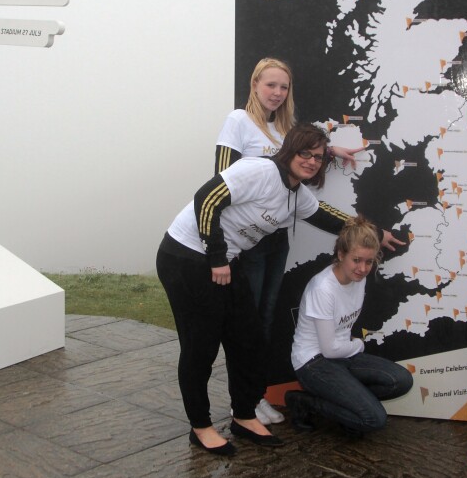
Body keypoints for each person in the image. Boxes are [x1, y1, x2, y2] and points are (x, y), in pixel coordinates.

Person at [157, 123, 392, 456]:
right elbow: (206, 199)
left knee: (249, 340)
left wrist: (375, 232)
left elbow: (328, 217)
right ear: (289, 151)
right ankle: (201, 427)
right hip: (186, 257)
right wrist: (216, 256)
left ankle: (243, 414)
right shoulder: (260, 170)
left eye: (317, 157)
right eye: (304, 153)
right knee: (201, 347)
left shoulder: (297, 194)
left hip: (224, 261)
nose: (310, 162)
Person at [214, 57, 398, 425]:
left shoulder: (281, 131)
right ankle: (242, 404)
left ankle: (254, 396)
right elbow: (221, 183)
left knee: (265, 322)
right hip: (246, 244)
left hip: (275, 240)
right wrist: (219, 250)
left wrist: (332, 153)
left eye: (284, 87)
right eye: (271, 85)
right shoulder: (238, 121)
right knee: (247, 326)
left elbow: (297, 163)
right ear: (254, 84)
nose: (277, 93)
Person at [285, 217, 413, 436]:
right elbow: (329, 350)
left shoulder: (359, 278)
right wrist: (359, 346)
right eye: (356, 260)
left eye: (369, 262)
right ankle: (305, 403)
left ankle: (348, 405)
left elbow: (338, 347)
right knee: (374, 419)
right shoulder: (323, 289)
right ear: (341, 255)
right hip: (313, 362)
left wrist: (351, 348)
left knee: (401, 380)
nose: (363, 269)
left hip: (342, 354)